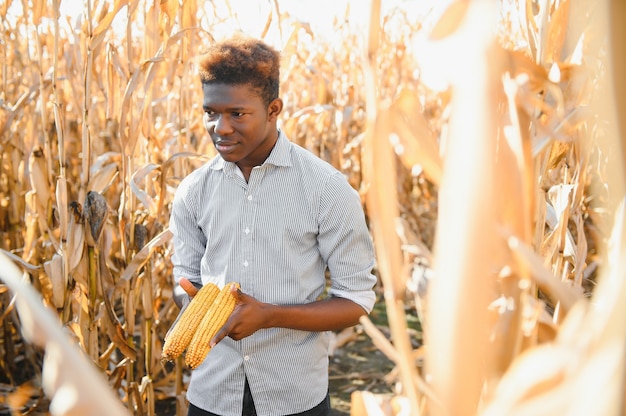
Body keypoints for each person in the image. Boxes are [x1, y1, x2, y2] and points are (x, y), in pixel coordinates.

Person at [169, 34, 377, 416]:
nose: (220, 128)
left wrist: (269, 316)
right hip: (212, 392)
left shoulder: (326, 188)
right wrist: (196, 301)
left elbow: (357, 300)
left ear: (273, 108)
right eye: (211, 112)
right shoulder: (193, 191)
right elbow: (185, 276)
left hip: (294, 394)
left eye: (237, 113)